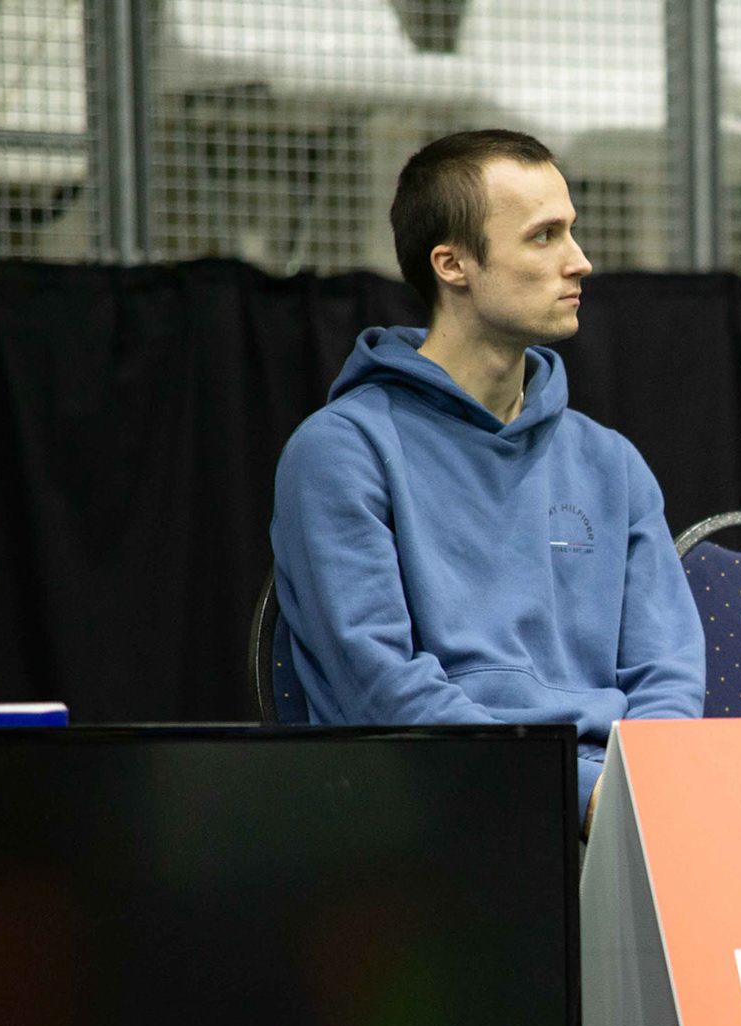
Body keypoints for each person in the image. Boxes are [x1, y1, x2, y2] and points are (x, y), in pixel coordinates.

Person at [270, 129, 705, 826]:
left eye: (572, 231)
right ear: (453, 265)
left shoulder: (610, 461)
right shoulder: (341, 453)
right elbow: (381, 690)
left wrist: (639, 795)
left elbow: (668, 673)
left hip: (617, 808)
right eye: (544, 237)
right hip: (437, 817)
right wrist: (581, 795)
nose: (580, 261)